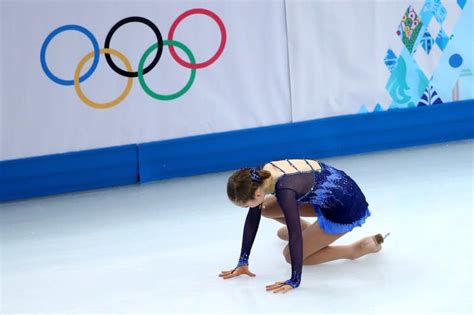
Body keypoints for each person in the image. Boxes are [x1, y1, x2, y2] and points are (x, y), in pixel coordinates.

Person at [219, 158, 389, 293]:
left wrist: (294, 280)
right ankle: (313, 235)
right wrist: (243, 261)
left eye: (246, 205)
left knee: (290, 256)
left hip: (345, 209)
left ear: (257, 193)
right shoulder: (258, 174)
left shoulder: (285, 190)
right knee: (265, 209)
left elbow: (294, 236)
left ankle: (354, 250)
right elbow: (254, 214)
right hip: (326, 195)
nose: (248, 209)